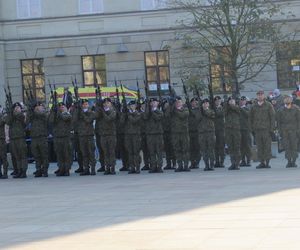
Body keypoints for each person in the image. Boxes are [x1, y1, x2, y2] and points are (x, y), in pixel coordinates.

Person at [249, 90, 275, 169]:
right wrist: (251, 129)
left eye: (261, 95)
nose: (260, 96)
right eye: (258, 95)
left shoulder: (268, 105)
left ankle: (267, 162)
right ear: (257, 96)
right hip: (257, 130)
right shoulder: (253, 106)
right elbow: (250, 118)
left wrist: (272, 129)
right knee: (259, 147)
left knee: (267, 146)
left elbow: (272, 117)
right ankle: (261, 162)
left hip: (266, 130)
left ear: (264, 96)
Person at [165, 96, 190, 172]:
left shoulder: (185, 109)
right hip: (175, 133)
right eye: (176, 102)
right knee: (177, 149)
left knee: (185, 149)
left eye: (179, 102)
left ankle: (186, 165)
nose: (178, 103)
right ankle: (179, 165)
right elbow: (166, 115)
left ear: (182, 102)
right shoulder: (172, 110)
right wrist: (170, 105)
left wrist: (175, 109)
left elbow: (182, 115)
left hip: (184, 133)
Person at [49, 102, 73, 176]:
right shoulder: (56, 115)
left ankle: (67, 170)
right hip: (57, 137)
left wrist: (59, 112)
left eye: (63, 107)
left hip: (66, 137)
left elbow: (64, 118)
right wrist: (53, 111)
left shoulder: (68, 114)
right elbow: (51, 120)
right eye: (60, 107)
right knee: (59, 155)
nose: (61, 108)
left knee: (66, 154)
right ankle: (61, 169)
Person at [73, 99, 96, 176]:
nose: (84, 106)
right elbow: (74, 120)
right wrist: (76, 109)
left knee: (91, 153)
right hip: (82, 136)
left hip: (89, 136)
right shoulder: (79, 113)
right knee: (84, 154)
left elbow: (88, 120)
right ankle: (86, 169)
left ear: (88, 105)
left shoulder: (91, 113)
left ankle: (93, 169)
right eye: (83, 104)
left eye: (86, 104)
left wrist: (82, 113)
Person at [95, 98, 117, 175]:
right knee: (105, 152)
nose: (106, 104)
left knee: (111, 152)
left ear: (111, 104)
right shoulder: (101, 111)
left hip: (111, 135)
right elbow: (96, 116)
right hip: (103, 135)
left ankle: (113, 168)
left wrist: (103, 111)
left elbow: (108, 119)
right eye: (104, 103)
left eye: (108, 103)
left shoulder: (113, 111)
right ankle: (107, 168)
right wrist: (98, 108)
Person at [277, 95, 300, 168]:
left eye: (288, 98)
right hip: (284, 131)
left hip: (294, 130)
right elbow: (279, 122)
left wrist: (298, 130)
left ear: (291, 100)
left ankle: (294, 161)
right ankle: (289, 161)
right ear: (284, 100)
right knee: (287, 147)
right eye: (285, 99)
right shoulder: (280, 110)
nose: (287, 100)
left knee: (294, 146)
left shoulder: (296, 109)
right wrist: (279, 131)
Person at [5, 102, 28, 178]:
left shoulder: (22, 115)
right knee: (17, 156)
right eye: (15, 108)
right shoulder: (12, 116)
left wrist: (17, 112)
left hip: (21, 138)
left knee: (22, 156)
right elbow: (8, 121)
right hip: (13, 139)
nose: (16, 109)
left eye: (18, 108)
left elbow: (23, 120)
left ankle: (23, 171)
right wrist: (11, 112)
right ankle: (19, 171)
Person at [28, 102, 49, 177]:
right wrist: (30, 109)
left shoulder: (44, 114)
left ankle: (45, 170)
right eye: (36, 106)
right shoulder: (33, 115)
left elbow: (44, 117)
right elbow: (28, 119)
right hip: (34, 138)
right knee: (36, 156)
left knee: (44, 155)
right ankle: (38, 170)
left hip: (42, 137)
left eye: (39, 106)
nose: (37, 107)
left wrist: (36, 110)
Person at [143, 98, 164, 173]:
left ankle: (159, 167)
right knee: (151, 152)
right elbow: (145, 117)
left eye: (154, 102)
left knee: (159, 152)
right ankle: (153, 166)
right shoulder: (148, 111)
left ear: (157, 103)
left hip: (158, 134)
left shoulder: (160, 111)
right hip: (150, 134)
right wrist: (147, 108)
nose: (153, 103)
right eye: (151, 102)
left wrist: (153, 110)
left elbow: (158, 118)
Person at [122, 100, 142, 174]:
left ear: (135, 106)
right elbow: (121, 122)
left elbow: (134, 121)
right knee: (130, 152)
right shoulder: (127, 114)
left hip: (136, 135)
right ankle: (132, 167)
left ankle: (137, 167)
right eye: (130, 106)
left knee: (136, 152)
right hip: (128, 135)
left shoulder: (138, 113)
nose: (131, 107)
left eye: (133, 105)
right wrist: (124, 113)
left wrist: (129, 115)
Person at [198, 98, 215, 171]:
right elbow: (197, 119)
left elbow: (210, 115)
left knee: (211, 149)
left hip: (210, 132)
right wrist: (201, 110)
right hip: (202, 133)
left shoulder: (211, 111)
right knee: (204, 150)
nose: (205, 104)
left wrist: (205, 109)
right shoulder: (199, 112)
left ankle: (211, 164)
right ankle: (206, 165)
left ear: (208, 104)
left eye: (206, 103)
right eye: (204, 103)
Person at [224, 97, 241, 170]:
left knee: (236, 147)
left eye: (232, 100)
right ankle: (232, 163)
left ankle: (237, 163)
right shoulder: (227, 108)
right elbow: (224, 112)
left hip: (236, 130)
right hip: (228, 130)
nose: (231, 101)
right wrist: (227, 104)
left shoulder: (237, 107)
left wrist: (232, 104)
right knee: (231, 147)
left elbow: (238, 110)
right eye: (230, 100)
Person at [188, 97, 201, 169]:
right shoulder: (188, 110)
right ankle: (192, 162)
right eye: (193, 102)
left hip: (197, 131)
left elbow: (197, 117)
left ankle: (197, 162)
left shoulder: (199, 110)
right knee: (191, 148)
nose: (194, 103)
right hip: (190, 131)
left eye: (196, 102)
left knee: (197, 148)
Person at [239, 96, 252, 166]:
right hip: (240, 129)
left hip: (246, 129)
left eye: (243, 100)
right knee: (241, 146)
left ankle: (249, 160)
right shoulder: (238, 108)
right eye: (241, 100)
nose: (242, 101)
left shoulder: (248, 107)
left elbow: (248, 114)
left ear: (245, 101)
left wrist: (242, 109)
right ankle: (243, 160)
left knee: (247, 146)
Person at [214, 96, 225, 168]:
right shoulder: (212, 109)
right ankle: (217, 161)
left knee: (221, 146)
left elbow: (219, 114)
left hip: (221, 129)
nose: (217, 101)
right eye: (216, 100)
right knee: (215, 147)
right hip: (214, 129)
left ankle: (222, 162)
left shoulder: (223, 108)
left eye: (219, 100)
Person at [0, 108, 8, 179]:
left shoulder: (2, 117)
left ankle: (5, 173)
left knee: (3, 157)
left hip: (1, 140)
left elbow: (4, 121)